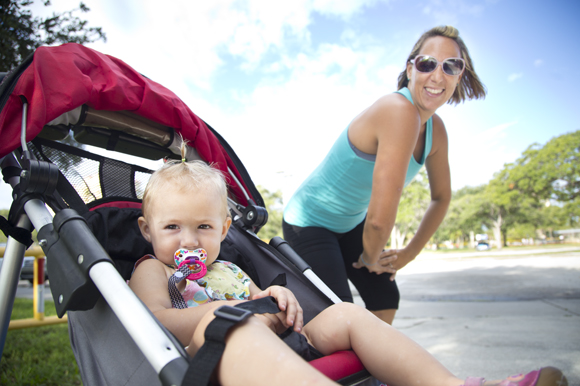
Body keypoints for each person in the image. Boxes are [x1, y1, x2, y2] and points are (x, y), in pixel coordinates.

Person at [128, 155, 567, 386]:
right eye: (172, 228)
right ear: (148, 231)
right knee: (235, 327)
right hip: (213, 352)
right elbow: (157, 321)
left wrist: (275, 298)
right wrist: (232, 313)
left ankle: (448, 384)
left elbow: (264, 296)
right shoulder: (154, 269)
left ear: (225, 228)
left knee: (348, 314)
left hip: (286, 338)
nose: (188, 241)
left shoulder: (227, 264)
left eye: (203, 226)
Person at [282, 25, 487, 324]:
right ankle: (333, 367)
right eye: (427, 63)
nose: (438, 76)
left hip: (350, 222)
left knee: (384, 297)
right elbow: (379, 220)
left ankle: (370, 369)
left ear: (460, 74)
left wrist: (408, 253)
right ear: (410, 68)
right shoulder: (398, 110)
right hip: (310, 222)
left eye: (451, 66)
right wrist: (370, 257)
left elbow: (441, 198)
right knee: (339, 315)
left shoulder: (436, 131)